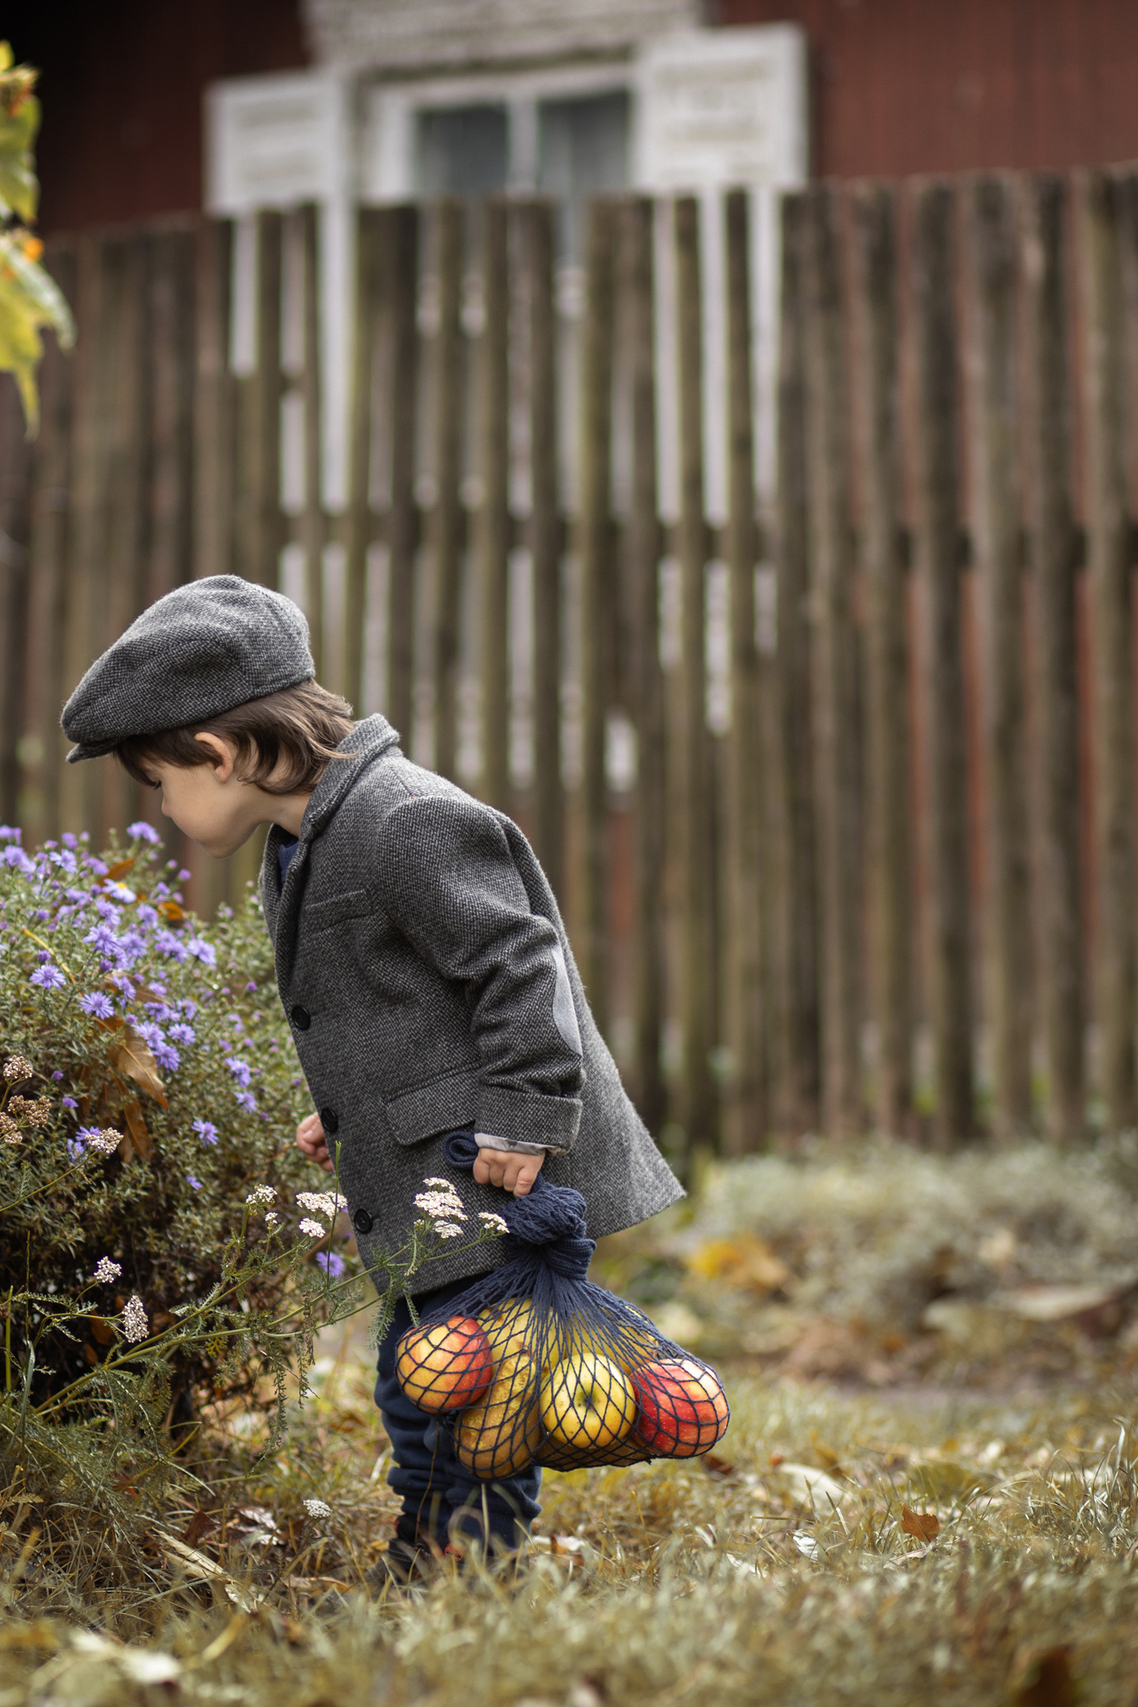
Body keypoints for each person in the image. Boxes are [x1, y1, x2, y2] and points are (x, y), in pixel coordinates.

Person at [61, 575, 682, 1585]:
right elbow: (398, 999)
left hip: (490, 1168)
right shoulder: (306, 838)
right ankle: (434, 1555)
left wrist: (525, 1119)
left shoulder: (405, 821)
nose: (165, 810)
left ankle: (462, 1569)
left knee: (472, 1390)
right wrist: (345, 1101)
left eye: (157, 783)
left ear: (216, 756)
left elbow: (516, 966)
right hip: (430, 1168)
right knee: (421, 1379)